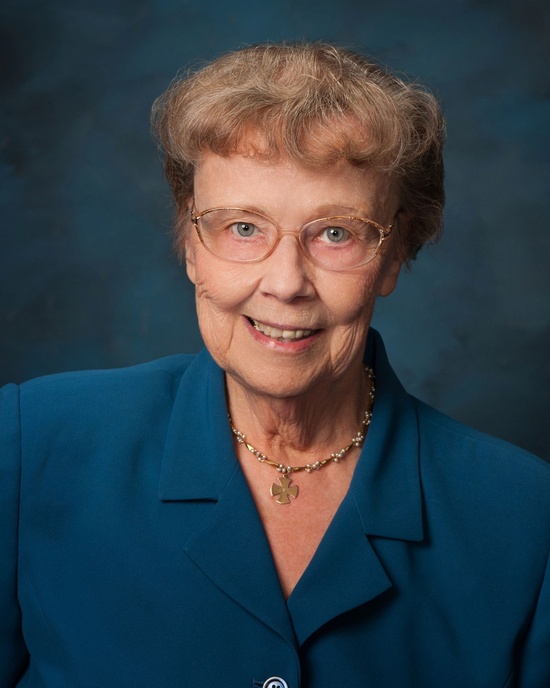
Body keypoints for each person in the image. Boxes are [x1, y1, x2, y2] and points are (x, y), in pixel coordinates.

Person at [1, 42, 549, 688]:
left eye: (336, 232)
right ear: (191, 245)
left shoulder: (526, 518)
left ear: (395, 254)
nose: (286, 283)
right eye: (243, 228)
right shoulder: (30, 444)